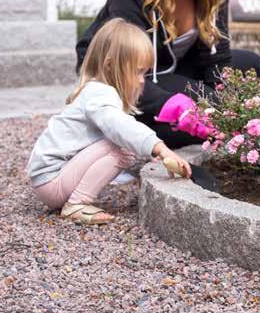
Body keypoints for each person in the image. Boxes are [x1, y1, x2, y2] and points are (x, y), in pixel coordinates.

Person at [76, 0, 260, 149]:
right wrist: (184, 105)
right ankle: (138, 130)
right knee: (205, 106)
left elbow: (218, 58)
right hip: (126, 75)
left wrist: (223, 100)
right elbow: (123, 71)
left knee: (251, 65)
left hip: (173, 67)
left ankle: (191, 125)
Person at [27, 19, 191, 225]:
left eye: (145, 73)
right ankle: (77, 203)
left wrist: (151, 155)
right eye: (138, 71)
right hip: (53, 182)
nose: (142, 80)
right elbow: (121, 128)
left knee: (123, 143)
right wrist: (161, 149)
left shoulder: (97, 92)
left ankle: (74, 201)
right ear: (110, 65)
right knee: (123, 147)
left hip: (50, 179)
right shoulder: (100, 94)